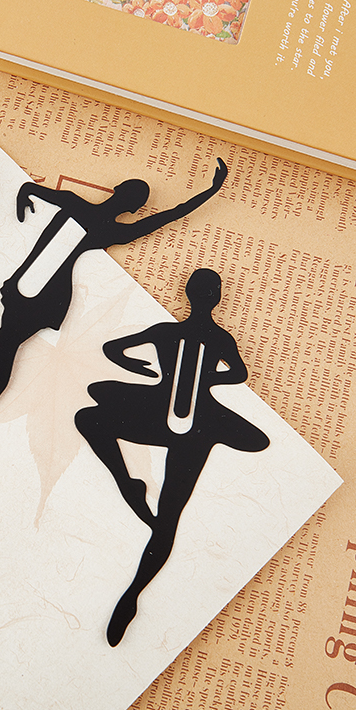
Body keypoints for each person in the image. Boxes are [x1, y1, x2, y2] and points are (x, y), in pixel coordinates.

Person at [0, 158, 228, 460]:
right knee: (0, 353)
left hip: (35, 288)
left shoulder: (80, 208)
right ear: (130, 205)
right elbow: (169, 216)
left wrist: (24, 198)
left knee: (0, 351)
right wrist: (209, 192)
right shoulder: (107, 226)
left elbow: (30, 190)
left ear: (121, 195)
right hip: (41, 291)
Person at [74, 268, 269, 646]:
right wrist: (209, 379)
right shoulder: (220, 338)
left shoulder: (166, 331)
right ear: (216, 297)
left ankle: (125, 481)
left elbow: (114, 349)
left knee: (89, 417)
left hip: (159, 413)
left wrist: (136, 367)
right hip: (196, 424)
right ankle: (133, 591)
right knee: (169, 517)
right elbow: (240, 374)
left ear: (189, 293)